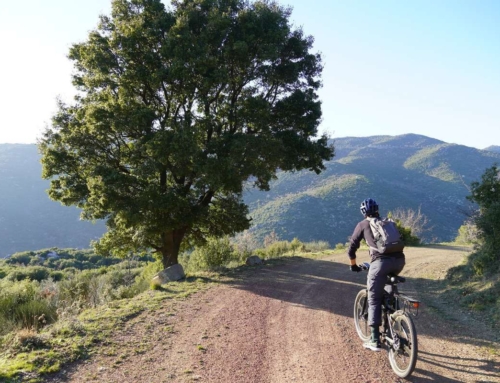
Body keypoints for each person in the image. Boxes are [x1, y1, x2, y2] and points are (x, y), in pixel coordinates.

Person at [347, 198, 405, 351]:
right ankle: (392, 314)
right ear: (377, 210)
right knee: (387, 289)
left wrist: (353, 265)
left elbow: (352, 248)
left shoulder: (363, 224)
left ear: (363, 212)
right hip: (399, 261)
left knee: (373, 298)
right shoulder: (387, 223)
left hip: (380, 264)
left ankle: (374, 340)